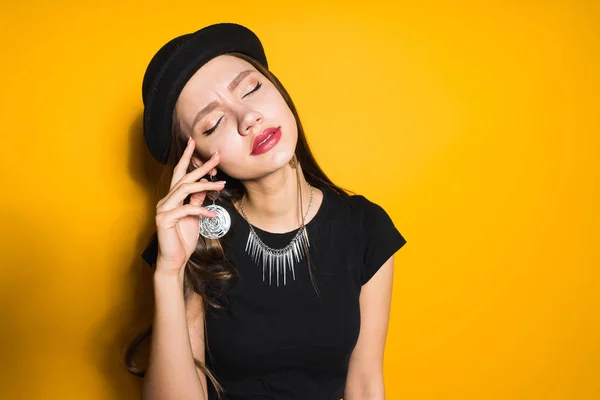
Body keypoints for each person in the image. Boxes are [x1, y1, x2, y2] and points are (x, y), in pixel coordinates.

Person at [126, 22, 407, 400]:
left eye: (251, 88)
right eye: (213, 123)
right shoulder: (193, 241)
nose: (249, 118)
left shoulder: (365, 227)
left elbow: (365, 383)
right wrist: (169, 271)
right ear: (199, 159)